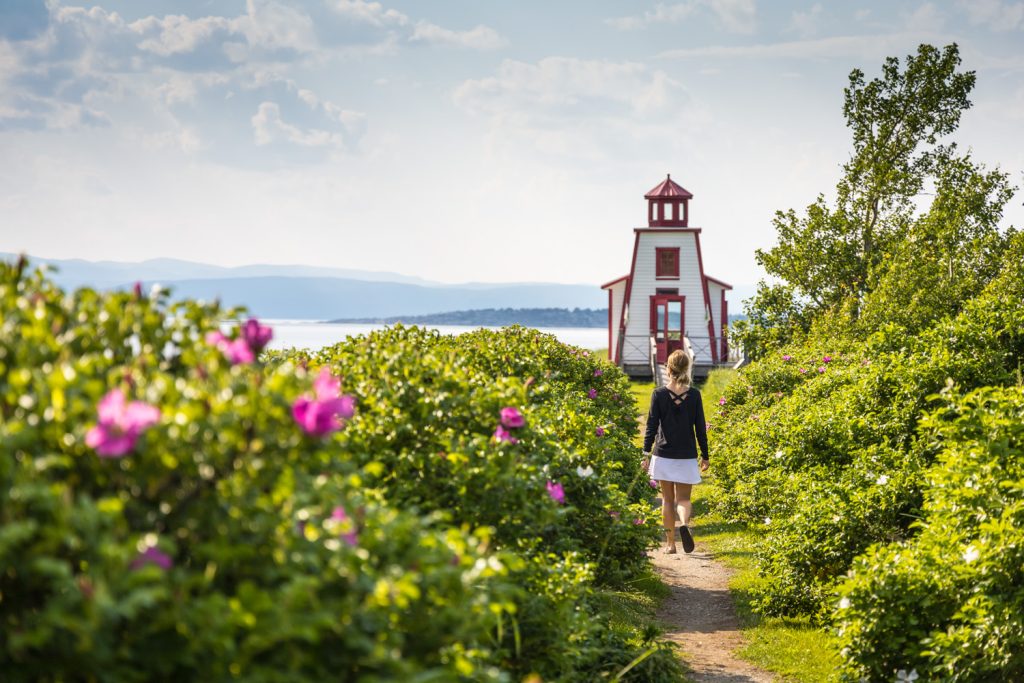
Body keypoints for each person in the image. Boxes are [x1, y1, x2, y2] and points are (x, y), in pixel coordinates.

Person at [641, 349, 710, 554]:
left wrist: (645, 454)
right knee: (684, 500)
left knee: (667, 500)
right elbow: (700, 428)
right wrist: (705, 455)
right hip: (687, 455)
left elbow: (651, 426)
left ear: (668, 368)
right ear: (686, 368)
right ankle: (684, 524)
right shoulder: (695, 395)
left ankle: (670, 544)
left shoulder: (659, 394)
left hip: (663, 454)